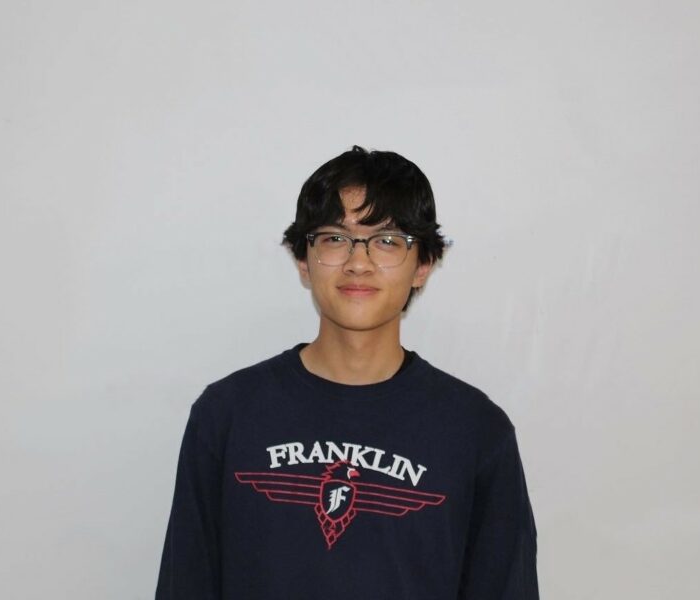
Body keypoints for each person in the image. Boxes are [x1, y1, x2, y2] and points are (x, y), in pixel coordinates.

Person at [155, 146, 539, 599]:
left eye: (388, 240)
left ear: (423, 265)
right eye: (335, 238)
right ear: (303, 259)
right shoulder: (226, 416)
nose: (359, 262)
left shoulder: (476, 432)